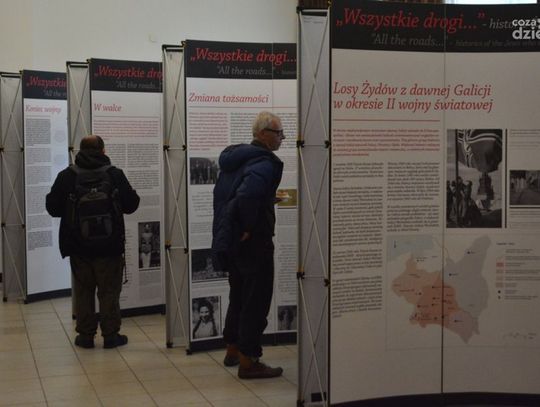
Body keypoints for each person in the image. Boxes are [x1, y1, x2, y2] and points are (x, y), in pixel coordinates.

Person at [46, 135, 140, 349]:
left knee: (83, 292)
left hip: (78, 246)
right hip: (110, 247)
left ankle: (86, 336)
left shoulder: (67, 176)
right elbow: (131, 204)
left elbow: (52, 207)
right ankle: (111, 335)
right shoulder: (114, 174)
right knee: (109, 292)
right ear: (103, 151)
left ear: (79, 151)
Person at [212, 111, 285, 379]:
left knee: (239, 296)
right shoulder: (264, 162)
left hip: (234, 242)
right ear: (264, 134)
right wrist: (247, 227)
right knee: (256, 300)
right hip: (254, 244)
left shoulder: (236, 160)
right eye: (278, 133)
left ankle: (232, 349)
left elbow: (231, 195)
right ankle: (249, 360)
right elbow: (246, 196)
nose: (282, 138)